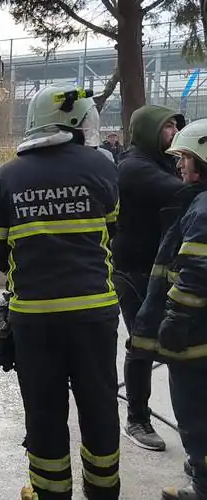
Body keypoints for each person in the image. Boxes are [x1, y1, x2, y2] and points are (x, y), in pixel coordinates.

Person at [0, 85, 121, 500]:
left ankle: (50, 492)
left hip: (35, 317)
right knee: (99, 405)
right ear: (77, 122)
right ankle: (104, 491)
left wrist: (24, 270)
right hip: (95, 313)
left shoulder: (6, 176)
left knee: (44, 410)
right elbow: (113, 228)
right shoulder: (103, 167)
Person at [130, 118, 207, 500]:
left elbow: (193, 273)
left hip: (194, 337)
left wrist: (175, 319)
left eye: (186, 158)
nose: (179, 166)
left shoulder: (202, 210)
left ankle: (202, 485)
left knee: (194, 414)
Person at [112, 104, 185, 452]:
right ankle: (137, 418)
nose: (174, 132)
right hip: (133, 271)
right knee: (143, 343)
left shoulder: (164, 163)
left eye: (176, 126)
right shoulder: (133, 167)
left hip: (163, 270)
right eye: (168, 127)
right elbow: (180, 192)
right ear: (148, 131)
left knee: (171, 343)